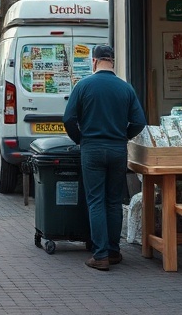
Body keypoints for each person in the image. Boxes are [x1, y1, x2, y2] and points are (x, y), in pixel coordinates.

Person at [63, 45, 147, 271]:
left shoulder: (83, 86)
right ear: (112, 61)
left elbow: (69, 118)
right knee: (113, 200)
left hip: (92, 148)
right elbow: (139, 121)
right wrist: (122, 136)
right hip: (118, 149)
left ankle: (100, 255)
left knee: (96, 200)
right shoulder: (125, 88)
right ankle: (113, 251)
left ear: (94, 61)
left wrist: (80, 138)